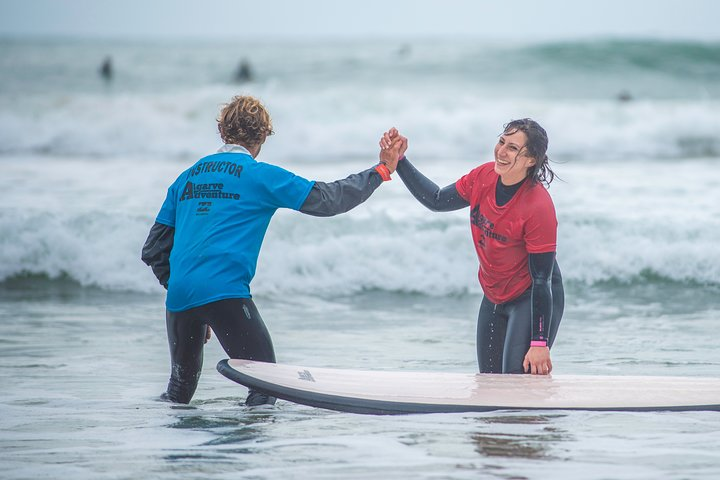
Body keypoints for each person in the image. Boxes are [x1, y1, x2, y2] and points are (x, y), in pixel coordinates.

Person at [142, 95, 403, 405]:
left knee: (178, 394)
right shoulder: (260, 176)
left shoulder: (185, 179)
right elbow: (330, 199)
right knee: (266, 386)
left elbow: (154, 249)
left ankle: (168, 448)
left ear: (223, 132)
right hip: (224, 294)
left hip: (180, 297)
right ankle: (246, 453)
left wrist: (189, 294)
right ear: (263, 135)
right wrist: (383, 170)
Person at [379, 119, 564, 375]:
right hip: (495, 295)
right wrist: (399, 161)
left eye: (512, 148)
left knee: (516, 386)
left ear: (531, 160)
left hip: (530, 298)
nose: (501, 151)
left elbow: (542, 280)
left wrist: (539, 342)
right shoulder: (483, 178)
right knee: (489, 383)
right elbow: (436, 200)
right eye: (501, 142)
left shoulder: (537, 206)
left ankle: (538, 415)